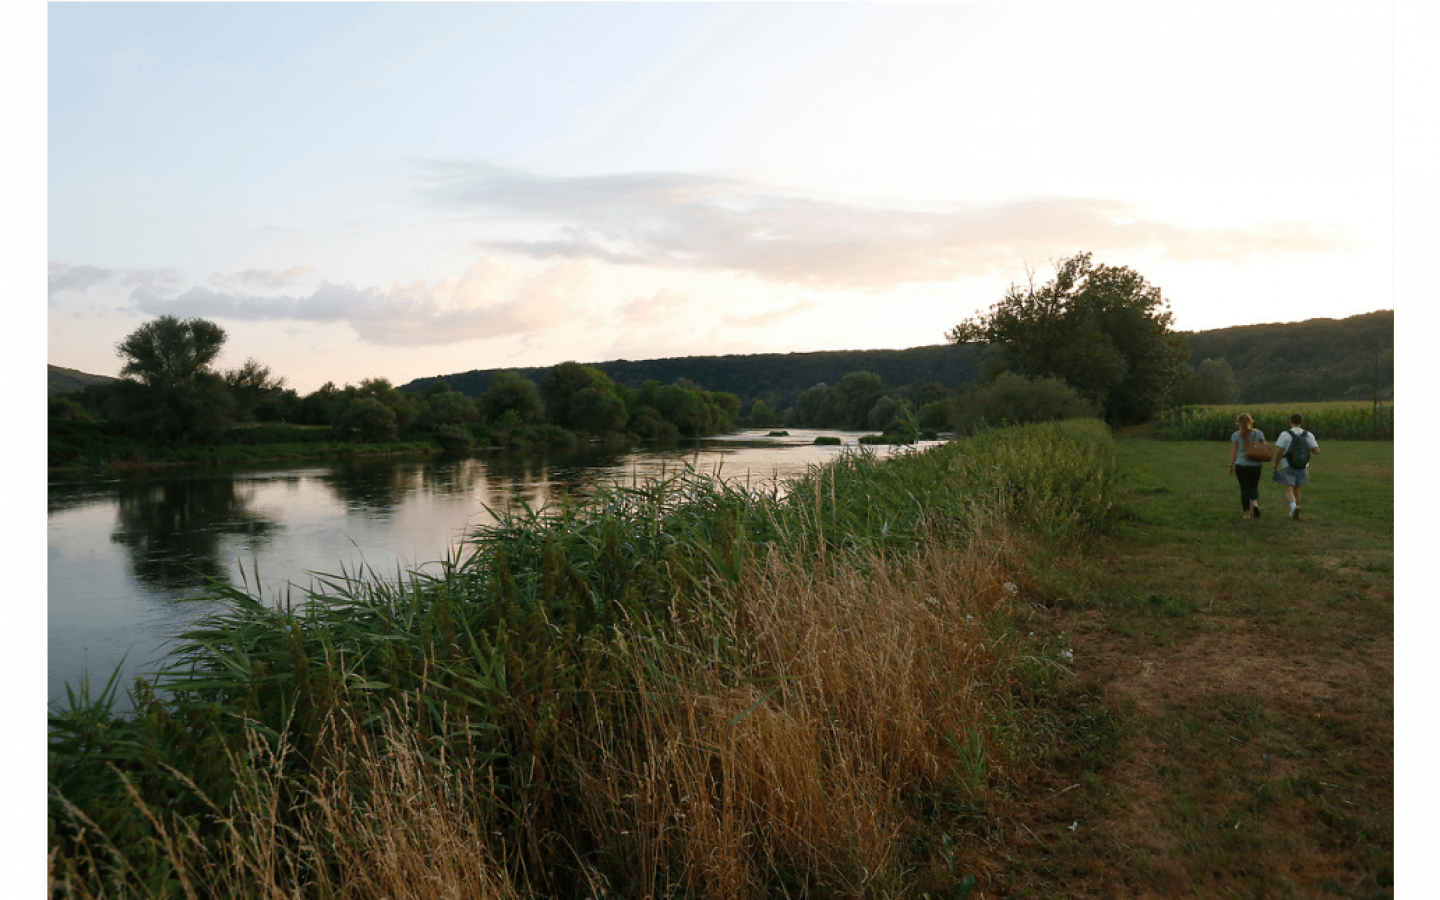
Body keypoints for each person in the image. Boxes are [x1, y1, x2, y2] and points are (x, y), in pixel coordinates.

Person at [1273, 413, 1320, 519]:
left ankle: (1293, 507)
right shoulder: (1308, 434)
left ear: (1290, 422)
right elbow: (1317, 451)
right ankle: (1296, 509)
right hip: (1303, 466)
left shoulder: (1285, 434)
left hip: (1287, 465)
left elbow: (1279, 452)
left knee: (1288, 489)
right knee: (1297, 488)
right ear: (1302, 422)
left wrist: (1275, 464)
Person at [1227, 413, 1266, 519]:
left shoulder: (1236, 435)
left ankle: (1247, 514)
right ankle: (1255, 504)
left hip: (1241, 465)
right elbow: (1264, 447)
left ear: (1238, 423)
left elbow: (1234, 452)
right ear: (1251, 421)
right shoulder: (1258, 433)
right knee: (1254, 486)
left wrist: (1231, 466)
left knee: (1244, 488)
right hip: (1255, 464)